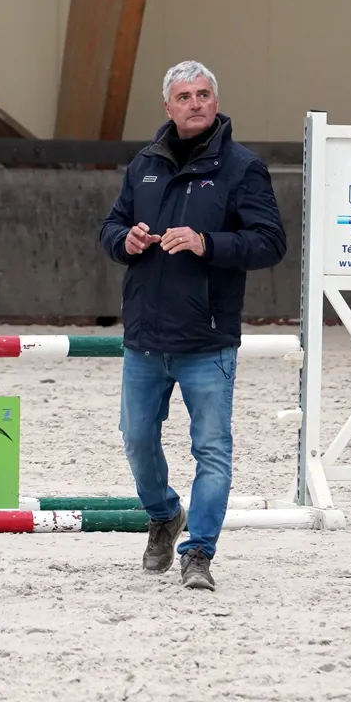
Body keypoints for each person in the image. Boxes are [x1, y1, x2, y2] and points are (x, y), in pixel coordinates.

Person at [98, 61, 286, 591]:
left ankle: (199, 552)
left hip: (207, 340)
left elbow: (270, 243)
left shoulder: (244, 168)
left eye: (203, 94)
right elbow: (111, 226)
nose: (195, 103)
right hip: (144, 338)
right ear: (168, 107)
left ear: (216, 101)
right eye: (184, 96)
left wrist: (208, 243)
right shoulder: (143, 165)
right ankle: (163, 514)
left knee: (212, 451)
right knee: (136, 440)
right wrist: (125, 240)